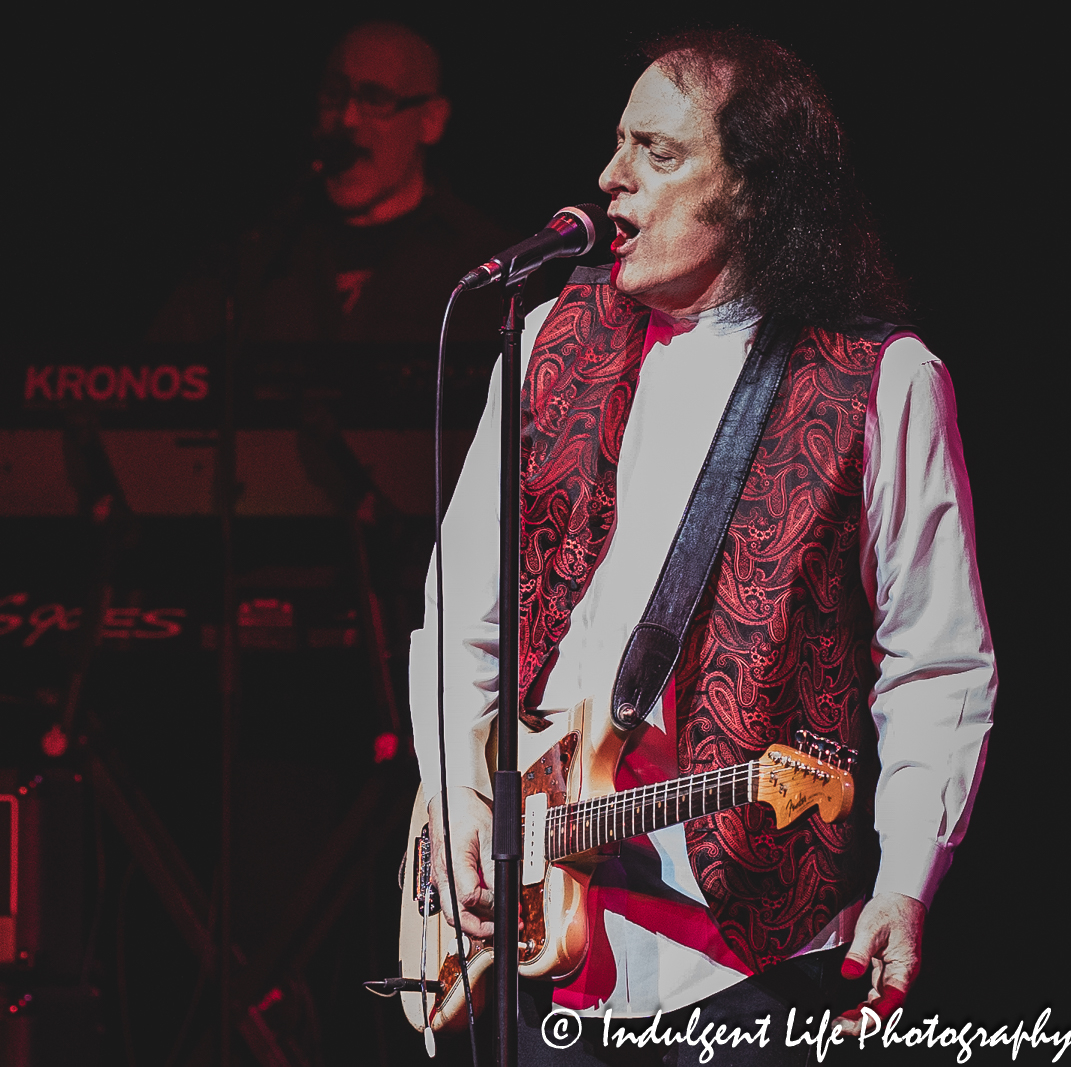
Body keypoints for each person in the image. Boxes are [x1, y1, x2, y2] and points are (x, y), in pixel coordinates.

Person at [408, 29, 995, 1063]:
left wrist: (904, 877)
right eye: (616, 142)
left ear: (756, 194)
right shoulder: (547, 337)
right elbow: (461, 612)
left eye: (658, 152)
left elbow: (937, 658)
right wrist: (459, 789)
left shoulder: (879, 380)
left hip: (750, 956)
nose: (609, 177)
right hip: (548, 934)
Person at [149, 21, 513, 344]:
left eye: (376, 98)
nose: (348, 118)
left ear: (431, 119)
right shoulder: (260, 251)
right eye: (334, 94)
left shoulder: (488, 260)